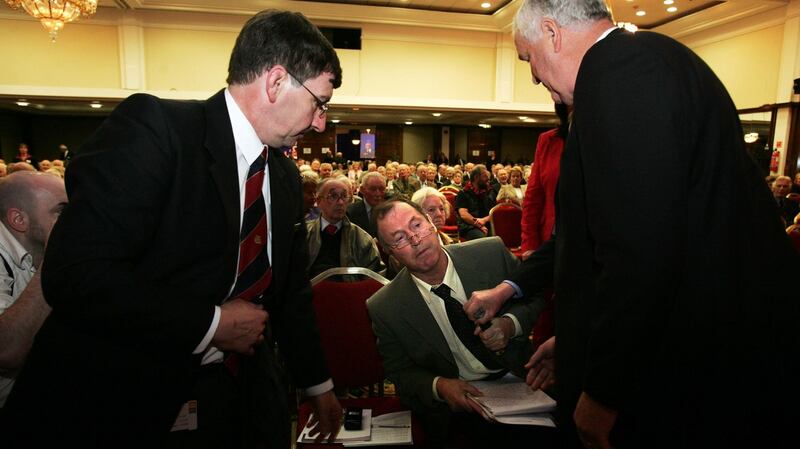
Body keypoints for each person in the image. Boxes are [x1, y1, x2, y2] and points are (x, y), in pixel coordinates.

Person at [2, 10, 344, 449]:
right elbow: (75, 273)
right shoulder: (156, 130)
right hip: (122, 400)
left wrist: (318, 385)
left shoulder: (283, 176)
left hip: (239, 398)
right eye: (320, 103)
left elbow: (290, 291)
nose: (321, 123)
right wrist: (211, 324)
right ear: (277, 82)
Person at [465, 1, 800, 448]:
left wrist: (603, 392)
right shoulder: (648, 62)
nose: (533, 76)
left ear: (552, 32)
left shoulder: (619, 80)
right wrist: (572, 335)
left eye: (528, 58)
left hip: (690, 367)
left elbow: (640, 258)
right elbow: (607, 235)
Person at [366, 199, 545, 447]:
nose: (415, 240)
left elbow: (538, 296)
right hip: (454, 411)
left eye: (416, 225)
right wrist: (440, 386)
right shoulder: (385, 306)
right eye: (400, 239)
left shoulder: (490, 253)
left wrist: (510, 324)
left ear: (431, 222)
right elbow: (400, 372)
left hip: (524, 380)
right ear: (388, 251)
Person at [0, 172, 67, 407]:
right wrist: (57, 258)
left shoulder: (35, 249)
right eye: (61, 211)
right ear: (19, 219)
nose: (72, 221)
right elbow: (6, 350)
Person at [306, 176, 385, 278]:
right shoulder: (303, 234)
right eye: (333, 196)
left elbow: (375, 276)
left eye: (344, 196)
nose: (340, 202)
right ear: (319, 201)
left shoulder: (362, 239)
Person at [455, 164, 492, 240]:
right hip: (469, 226)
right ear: (476, 177)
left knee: (500, 236)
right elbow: (464, 215)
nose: (488, 178)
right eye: (485, 176)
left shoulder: (487, 192)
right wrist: (479, 225)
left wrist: (484, 220)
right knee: (482, 238)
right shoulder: (463, 193)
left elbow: (494, 211)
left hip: (486, 223)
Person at [346, 171, 386, 238]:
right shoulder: (350, 212)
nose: (378, 194)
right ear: (362, 190)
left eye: (381, 189)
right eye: (373, 189)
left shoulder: (390, 211)